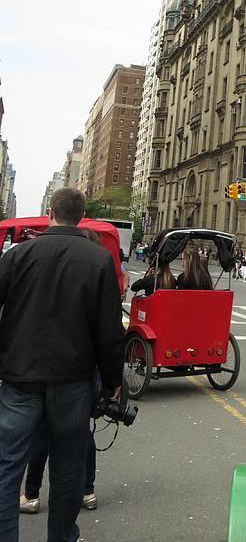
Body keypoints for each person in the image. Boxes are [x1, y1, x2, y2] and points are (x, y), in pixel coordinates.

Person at [0, 187, 124, 542]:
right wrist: (113, 380)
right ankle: (62, 536)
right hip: (73, 380)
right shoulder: (99, 260)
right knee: (68, 469)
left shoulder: (19, 254)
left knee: (8, 467)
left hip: (19, 376)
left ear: (50, 212)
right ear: (81, 217)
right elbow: (109, 331)